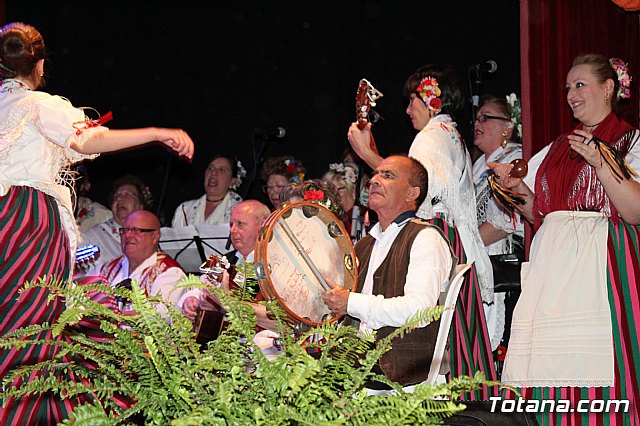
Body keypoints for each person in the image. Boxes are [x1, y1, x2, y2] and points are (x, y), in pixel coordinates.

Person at [0, 22, 194, 425]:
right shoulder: (38, 105)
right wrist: (160, 132)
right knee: (33, 325)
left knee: (16, 321)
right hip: (27, 219)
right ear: (37, 67)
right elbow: (88, 141)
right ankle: (20, 412)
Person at [491, 54, 640, 424]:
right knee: (542, 361)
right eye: (567, 88)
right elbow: (542, 215)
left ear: (608, 88)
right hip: (551, 266)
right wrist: (516, 190)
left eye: (580, 85)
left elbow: (635, 210)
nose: (571, 95)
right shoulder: (558, 146)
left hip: (599, 265)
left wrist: (600, 161)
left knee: (593, 361)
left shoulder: (629, 139)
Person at [347, 63, 496, 396]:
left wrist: (368, 154)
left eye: (412, 100)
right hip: (449, 236)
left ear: (431, 99)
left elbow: (417, 190)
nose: (407, 109)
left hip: (433, 233)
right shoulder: (449, 133)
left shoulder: (430, 138)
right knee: (452, 335)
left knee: (427, 325)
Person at [322, 155, 455, 389]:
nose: (374, 180)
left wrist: (351, 303)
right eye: (375, 174)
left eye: (388, 175)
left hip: (400, 378)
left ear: (411, 194)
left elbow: (419, 312)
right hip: (354, 369)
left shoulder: (425, 239)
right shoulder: (364, 245)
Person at [471, 94, 525, 351]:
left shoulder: (516, 158)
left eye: (486, 118)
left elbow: (508, 219)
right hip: (480, 257)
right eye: (477, 117)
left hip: (503, 264)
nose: (477, 123)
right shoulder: (478, 164)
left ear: (508, 127)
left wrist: (466, 245)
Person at [181, 200, 273, 328]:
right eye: (231, 224)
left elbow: (269, 313)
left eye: (240, 224)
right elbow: (200, 284)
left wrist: (221, 305)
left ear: (262, 225)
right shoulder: (227, 259)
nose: (233, 230)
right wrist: (191, 299)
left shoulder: (272, 264)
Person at [98, 210, 187, 318]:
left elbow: (162, 315)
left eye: (136, 230)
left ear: (155, 236)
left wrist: (115, 316)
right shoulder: (107, 268)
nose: (128, 235)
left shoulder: (170, 273)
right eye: (125, 230)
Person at [82, 174, 154, 266]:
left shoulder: (149, 238)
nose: (119, 199)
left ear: (141, 205)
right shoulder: (95, 236)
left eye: (127, 195)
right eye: (116, 197)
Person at [172, 154, 244, 227]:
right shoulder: (185, 209)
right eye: (211, 168)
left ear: (232, 181)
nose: (213, 173)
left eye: (221, 170)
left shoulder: (240, 211)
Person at [322, 161, 367, 238]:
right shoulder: (325, 216)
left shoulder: (365, 216)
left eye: (338, 189)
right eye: (329, 190)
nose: (333, 195)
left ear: (353, 191)